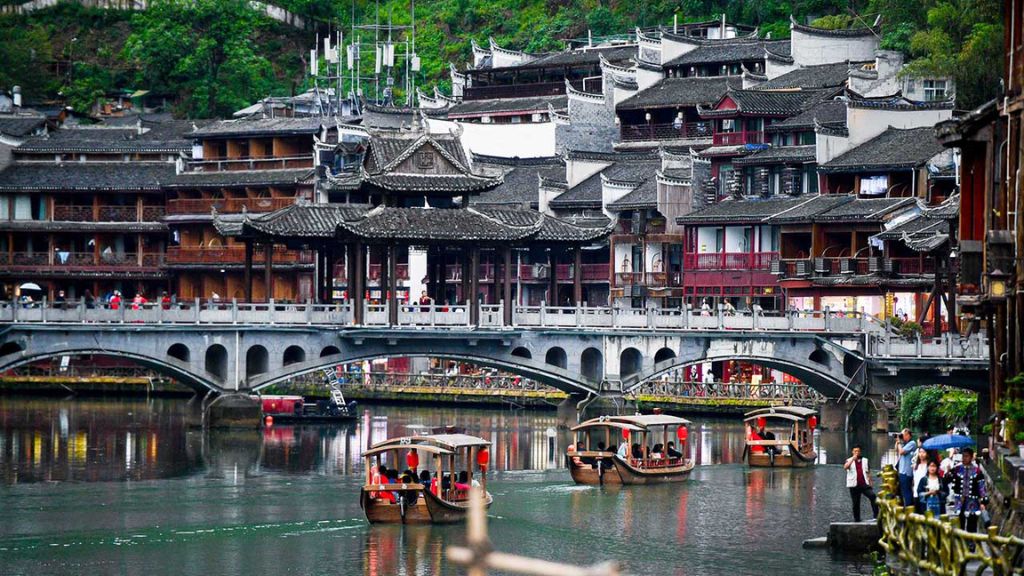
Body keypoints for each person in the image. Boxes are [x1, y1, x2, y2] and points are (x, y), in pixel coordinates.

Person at [947, 448, 987, 532]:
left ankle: (971, 539)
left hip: (972, 501)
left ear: (971, 457)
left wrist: (983, 502)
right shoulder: (957, 469)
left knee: (972, 524)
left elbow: (981, 487)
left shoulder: (977, 471)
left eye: (966, 456)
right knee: (959, 523)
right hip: (959, 501)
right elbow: (947, 480)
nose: (964, 458)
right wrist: (948, 472)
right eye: (963, 456)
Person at [844, 445, 878, 522]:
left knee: (873, 496)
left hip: (864, 484)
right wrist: (852, 459)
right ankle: (857, 519)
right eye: (855, 451)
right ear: (852, 452)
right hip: (854, 484)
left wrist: (870, 482)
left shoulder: (865, 460)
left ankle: (876, 516)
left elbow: (868, 472)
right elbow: (845, 467)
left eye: (858, 451)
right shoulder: (849, 460)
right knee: (856, 503)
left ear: (860, 452)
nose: (857, 453)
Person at [896, 428, 918, 507]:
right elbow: (897, 450)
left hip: (906, 472)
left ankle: (910, 508)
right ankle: (905, 507)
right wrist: (897, 442)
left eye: (903, 435)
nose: (902, 436)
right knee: (902, 491)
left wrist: (899, 442)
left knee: (907, 492)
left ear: (908, 435)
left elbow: (901, 452)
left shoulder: (912, 443)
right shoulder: (905, 444)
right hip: (902, 471)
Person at [912, 447, 930, 513]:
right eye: (920, 452)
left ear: (927, 454)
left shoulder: (929, 466)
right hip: (916, 492)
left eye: (923, 452)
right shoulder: (916, 466)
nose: (921, 454)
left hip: (925, 492)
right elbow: (914, 479)